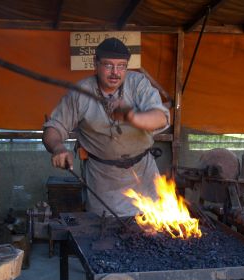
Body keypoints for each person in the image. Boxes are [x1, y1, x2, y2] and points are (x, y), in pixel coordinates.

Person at [42, 37, 170, 217]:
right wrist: (57, 147)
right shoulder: (80, 92)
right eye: (108, 65)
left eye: (121, 66)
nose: (115, 73)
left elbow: (160, 118)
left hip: (144, 174)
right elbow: (53, 128)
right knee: (105, 233)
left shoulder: (138, 83)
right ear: (96, 64)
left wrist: (130, 116)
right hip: (103, 179)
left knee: (154, 228)